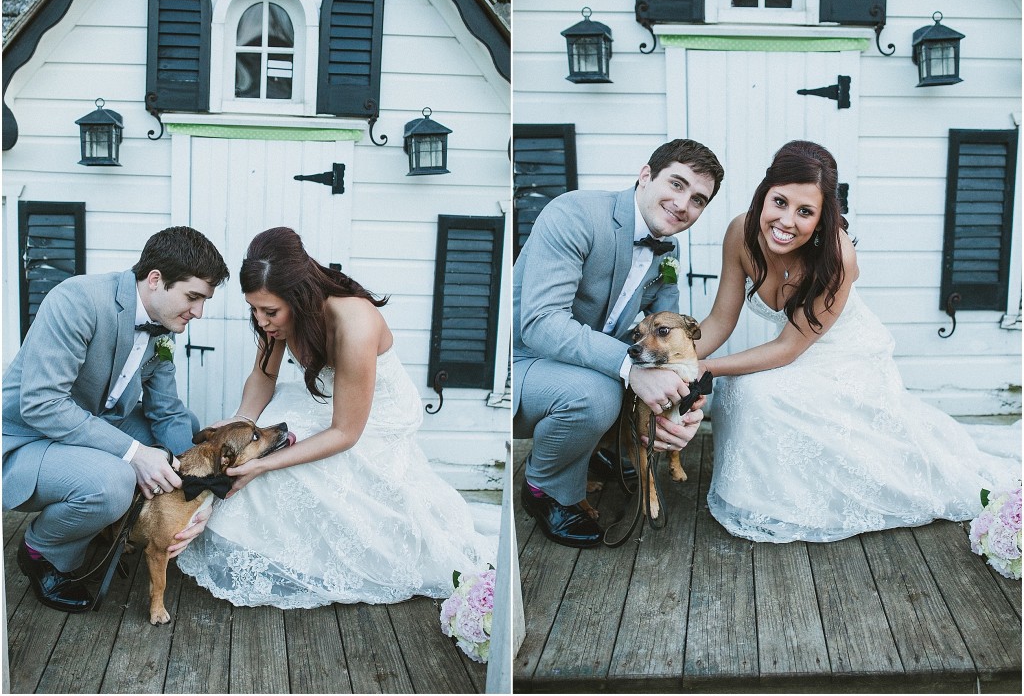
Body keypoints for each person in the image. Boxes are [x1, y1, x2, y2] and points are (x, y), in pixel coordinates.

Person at [697, 140, 1021, 543]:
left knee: (751, 391)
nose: (786, 221)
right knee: (737, 388)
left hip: (847, 354)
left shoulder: (836, 256)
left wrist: (707, 368)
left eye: (805, 212)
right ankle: (763, 497)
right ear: (764, 194)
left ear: (822, 218)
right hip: (798, 349)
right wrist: (676, 359)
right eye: (779, 202)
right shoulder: (740, 234)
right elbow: (718, 321)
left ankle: (800, 502)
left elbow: (787, 349)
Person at [176, 227, 494, 608]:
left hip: (372, 420)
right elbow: (264, 376)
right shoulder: (274, 317)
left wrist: (265, 465)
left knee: (276, 471)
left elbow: (345, 432)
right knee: (252, 453)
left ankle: (310, 561)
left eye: (270, 312)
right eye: (254, 310)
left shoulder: (354, 322)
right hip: (322, 402)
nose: (261, 321)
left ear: (300, 297)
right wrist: (238, 424)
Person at [3, 226, 230, 612]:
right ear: (155, 280)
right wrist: (134, 453)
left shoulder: (163, 327)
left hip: (94, 424)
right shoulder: (76, 301)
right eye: (193, 297)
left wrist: (196, 485)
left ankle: (102, 524)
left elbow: (167, 410)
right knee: (114, 481)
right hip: (28, 439)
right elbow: (41, 404)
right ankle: (43, 551)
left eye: (204, 300)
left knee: (186, 428)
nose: (199, 312)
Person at [513, 139, 725, 547]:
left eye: (698, 199)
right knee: (599, 393)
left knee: (635, 378)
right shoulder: (574, 213)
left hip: (583, 363)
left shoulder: (669, 247)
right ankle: (543, 488)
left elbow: (668, 337)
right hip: (522, 363)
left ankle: (588, 450)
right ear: (646, 175)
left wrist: (682, 403)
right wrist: (631, 369)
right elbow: (540, 324)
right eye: (676, 185)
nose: (684, 205)